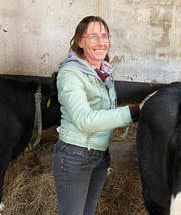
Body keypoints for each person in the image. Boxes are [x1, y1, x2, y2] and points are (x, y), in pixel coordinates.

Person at [52, 16, 146, 215]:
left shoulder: (104, 71)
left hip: (100, 154)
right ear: (79, 41)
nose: (101, 42)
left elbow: (105, 111)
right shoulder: (70, 73)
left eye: (105, 36)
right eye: (93, 36)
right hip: (75, 155)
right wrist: (135, 111)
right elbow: (84, 120)